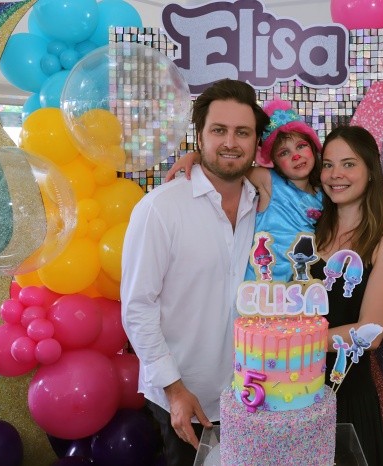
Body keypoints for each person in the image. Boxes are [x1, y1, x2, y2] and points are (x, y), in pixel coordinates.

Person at [120, 79, 270, 466]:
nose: (230, 142)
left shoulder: (268, 205)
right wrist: (173, 389)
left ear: (257, 141)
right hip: (186, 399)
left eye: (243, 132)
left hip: (255, 395)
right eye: (219, 130)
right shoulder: (161, 208)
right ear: (199, 136)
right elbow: (137, 306)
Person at [311, 125, 383, 466]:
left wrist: (289, 343)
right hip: (291, 393)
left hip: (344, 394)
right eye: (327, 164)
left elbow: (371, 333)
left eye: (349, 164)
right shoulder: (310, 227)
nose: (335, 174)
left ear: (371, 172)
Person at [166, 99, 323, 283]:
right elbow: (229, 164)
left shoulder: (323, 194)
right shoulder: (269, 181)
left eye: (301, 146)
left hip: (299, 282)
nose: (296, 156)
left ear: (313, 145)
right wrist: (197, 156)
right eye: (284, 153)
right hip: (260, 280)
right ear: (273, 161)